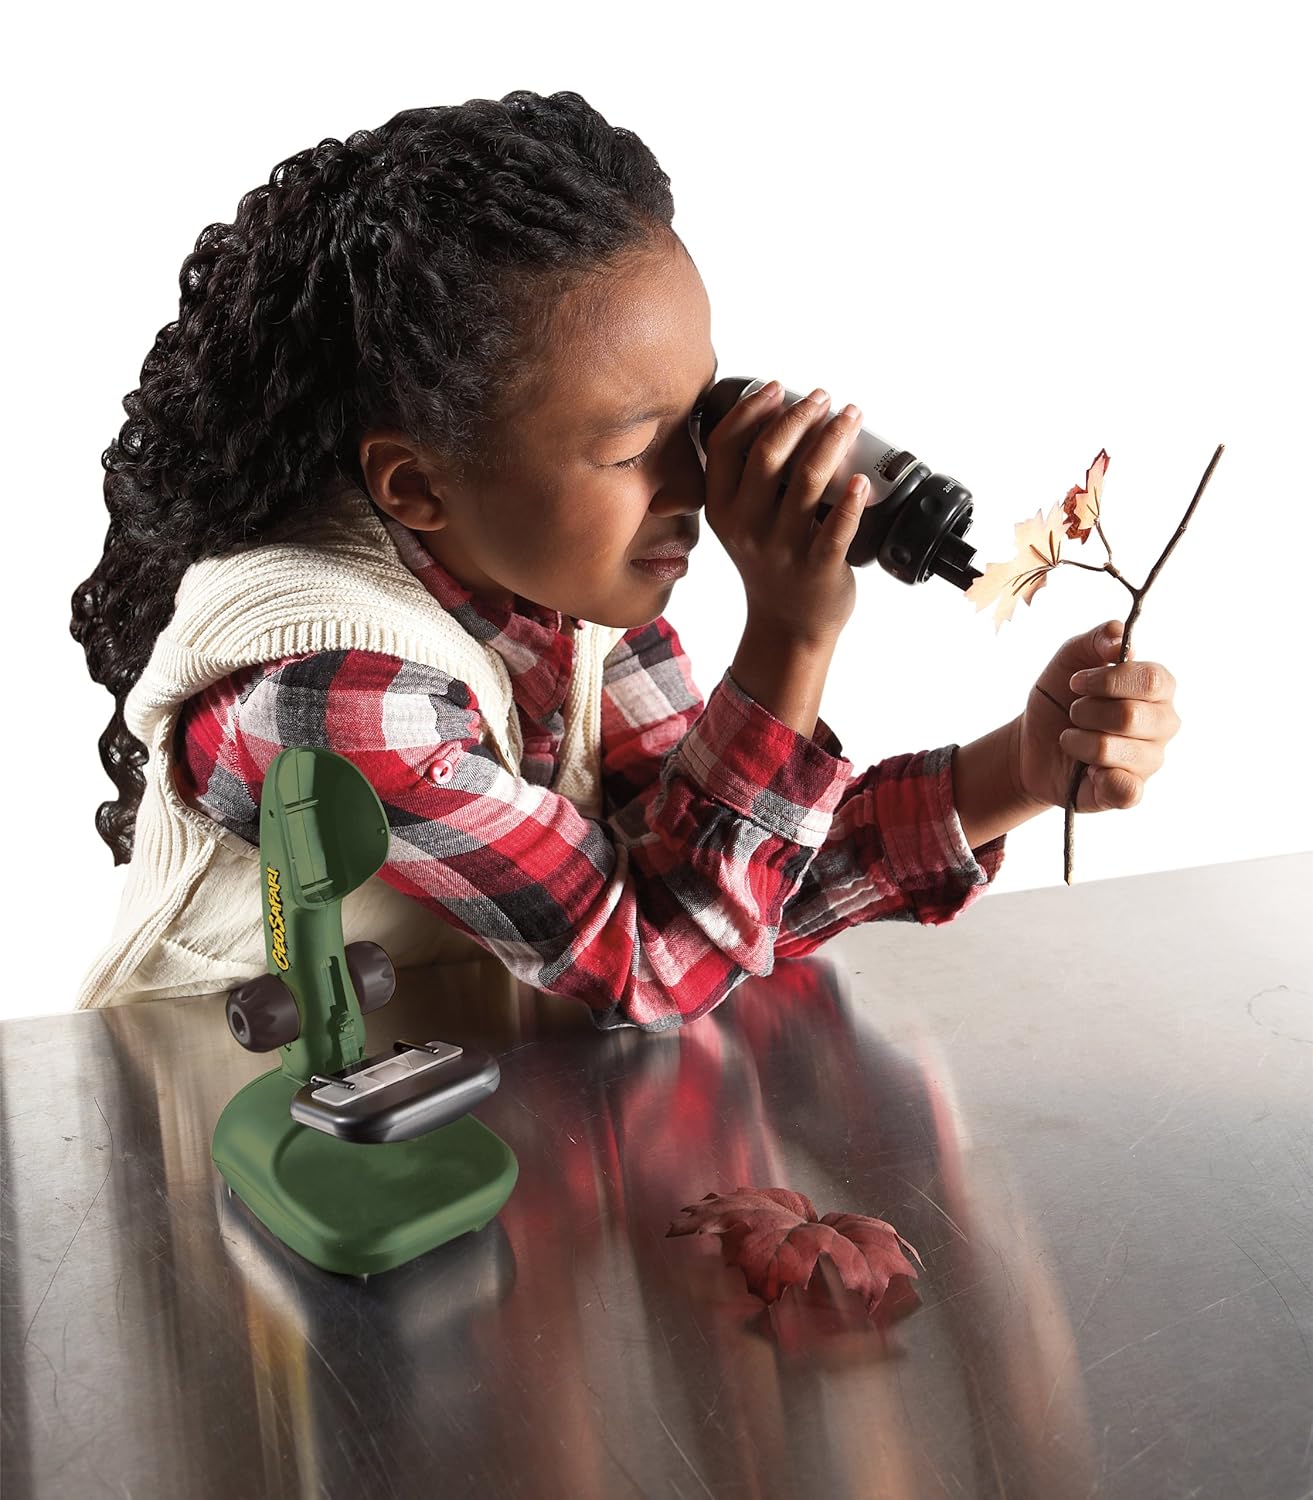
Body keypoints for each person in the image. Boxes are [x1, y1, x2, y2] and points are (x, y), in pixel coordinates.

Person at [69, 90, 1182, 1027]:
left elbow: (720, 879)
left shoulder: (564, 596)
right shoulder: (321, 689)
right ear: (415, 485)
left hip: (445, 1108)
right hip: (227, 1130)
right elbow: (654, 959)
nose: (697, 481)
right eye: (626, 447)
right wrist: (791, 632)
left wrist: (1015, 770)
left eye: (695, 415)